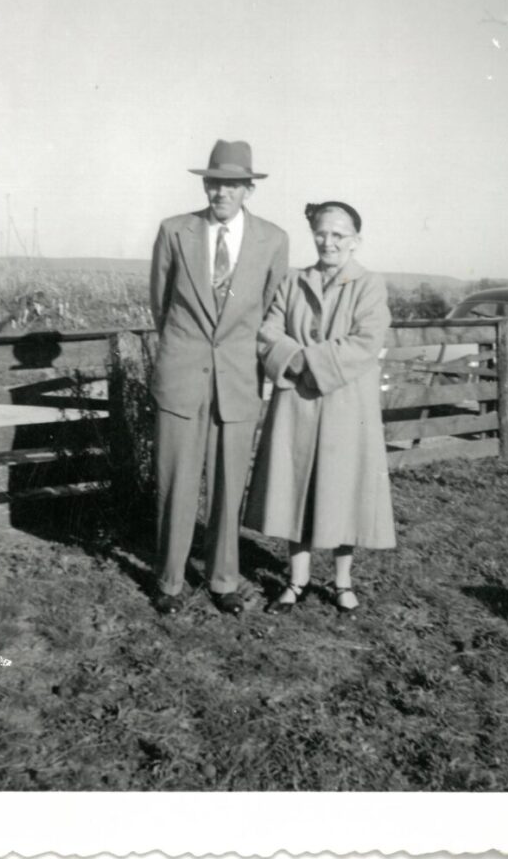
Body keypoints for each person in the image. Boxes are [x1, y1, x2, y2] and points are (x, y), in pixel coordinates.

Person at [149, 139, 289, 616]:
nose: (221, 192)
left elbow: (271, 310)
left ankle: (223, 579)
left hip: (237, 380)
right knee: (175, 481)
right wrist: (183, 352)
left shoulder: (274, 239)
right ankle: (169, 581)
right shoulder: (174, 231)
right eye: (213, 182)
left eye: (231, 184)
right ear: (205, 185)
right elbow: (161, 306)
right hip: (182, 377)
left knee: (230, 485)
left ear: (249, 189)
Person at [243, 200, 395, 616]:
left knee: (344, 488)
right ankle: (297, 580)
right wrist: (292, 360)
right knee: (296, 486)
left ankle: (343, 582)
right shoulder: (293, 282)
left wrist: (308, 363)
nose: (328, 241)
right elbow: (269, 330)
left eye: (338, 234)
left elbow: (366, 340)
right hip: (298, 402)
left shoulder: (369, 284)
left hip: (347, 404)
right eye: (321, 233)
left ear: (355, 241)